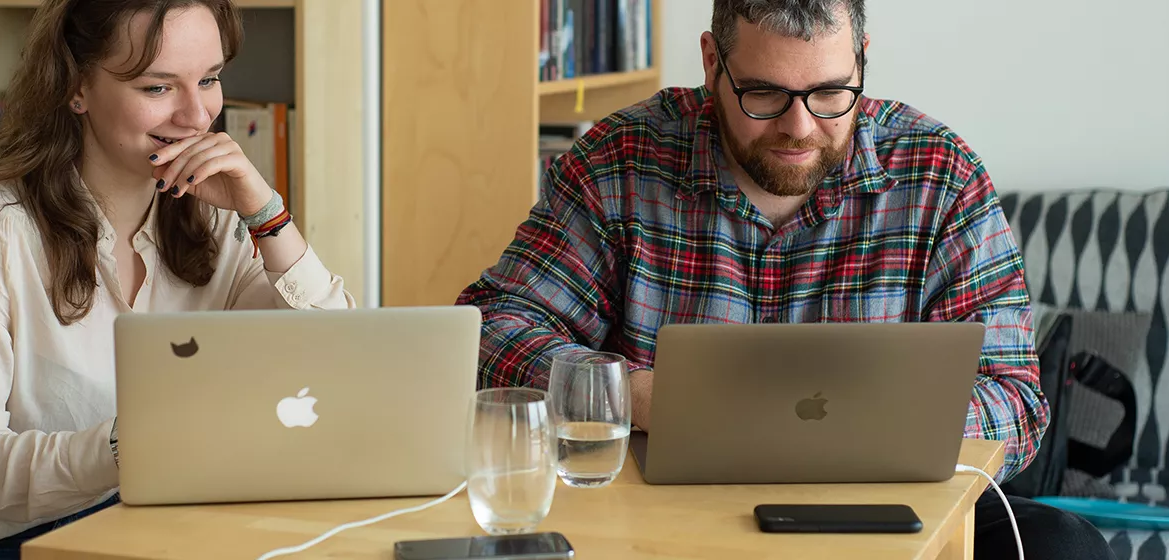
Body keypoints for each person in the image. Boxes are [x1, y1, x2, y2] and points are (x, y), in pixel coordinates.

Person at [457, 1, 1112, 559]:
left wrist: (884, 422)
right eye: (764, 93)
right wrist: (630, 395)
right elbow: (494, 330)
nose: (799, 128)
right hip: (667, 512)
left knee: (1064, 546)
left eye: (829, 93)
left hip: (882, 509)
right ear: (712, 62)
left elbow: (1017, 401)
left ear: (862, 61)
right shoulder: (621, 161)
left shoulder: (940, 175)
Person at [0, 0, 353, 557]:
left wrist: (266, 213)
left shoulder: (215, 220)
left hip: (121, 524)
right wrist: (129, 445)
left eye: (208, 80)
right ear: (76, 88)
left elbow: (338, 366)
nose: (197, 116)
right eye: (157, 87)